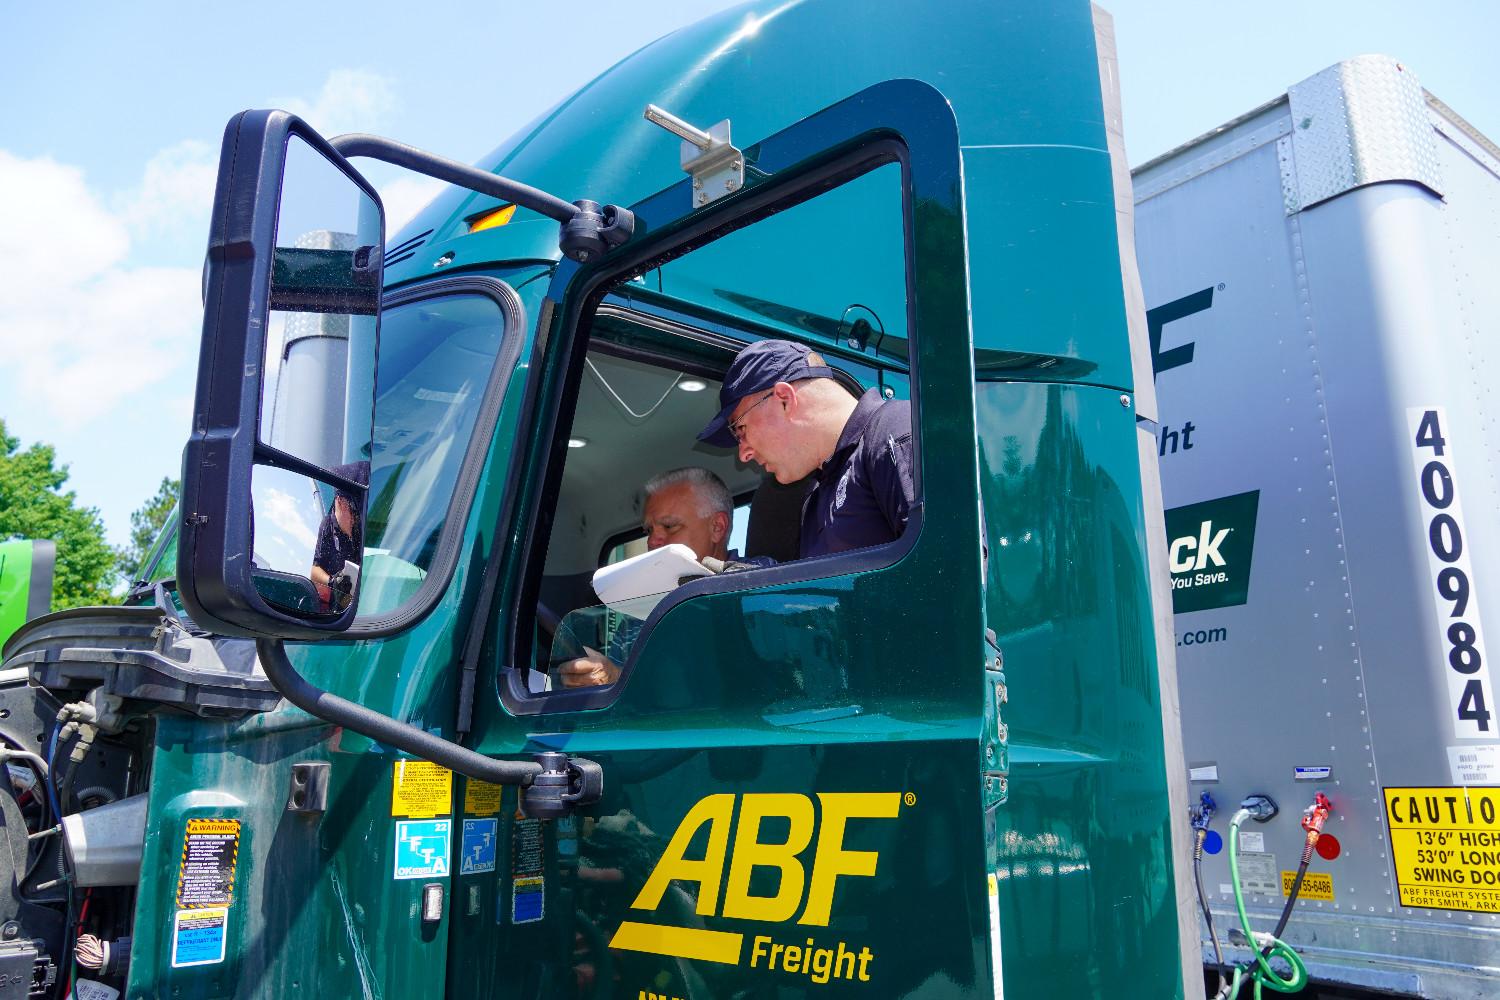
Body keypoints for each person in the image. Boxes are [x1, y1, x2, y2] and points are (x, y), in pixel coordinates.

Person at [698, 339, 914, 558]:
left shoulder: (895, 433)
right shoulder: (817, 495)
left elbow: (933, 566)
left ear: (784, 399)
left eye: (740, 430)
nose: (744, 454)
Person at [557, 467, 735, 688]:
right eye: (649, 530)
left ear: (717, 527)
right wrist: (606, 678)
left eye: (669, 526)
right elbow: (618, 683)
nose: (652, 541)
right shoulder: (637, 613)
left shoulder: (759, 584)